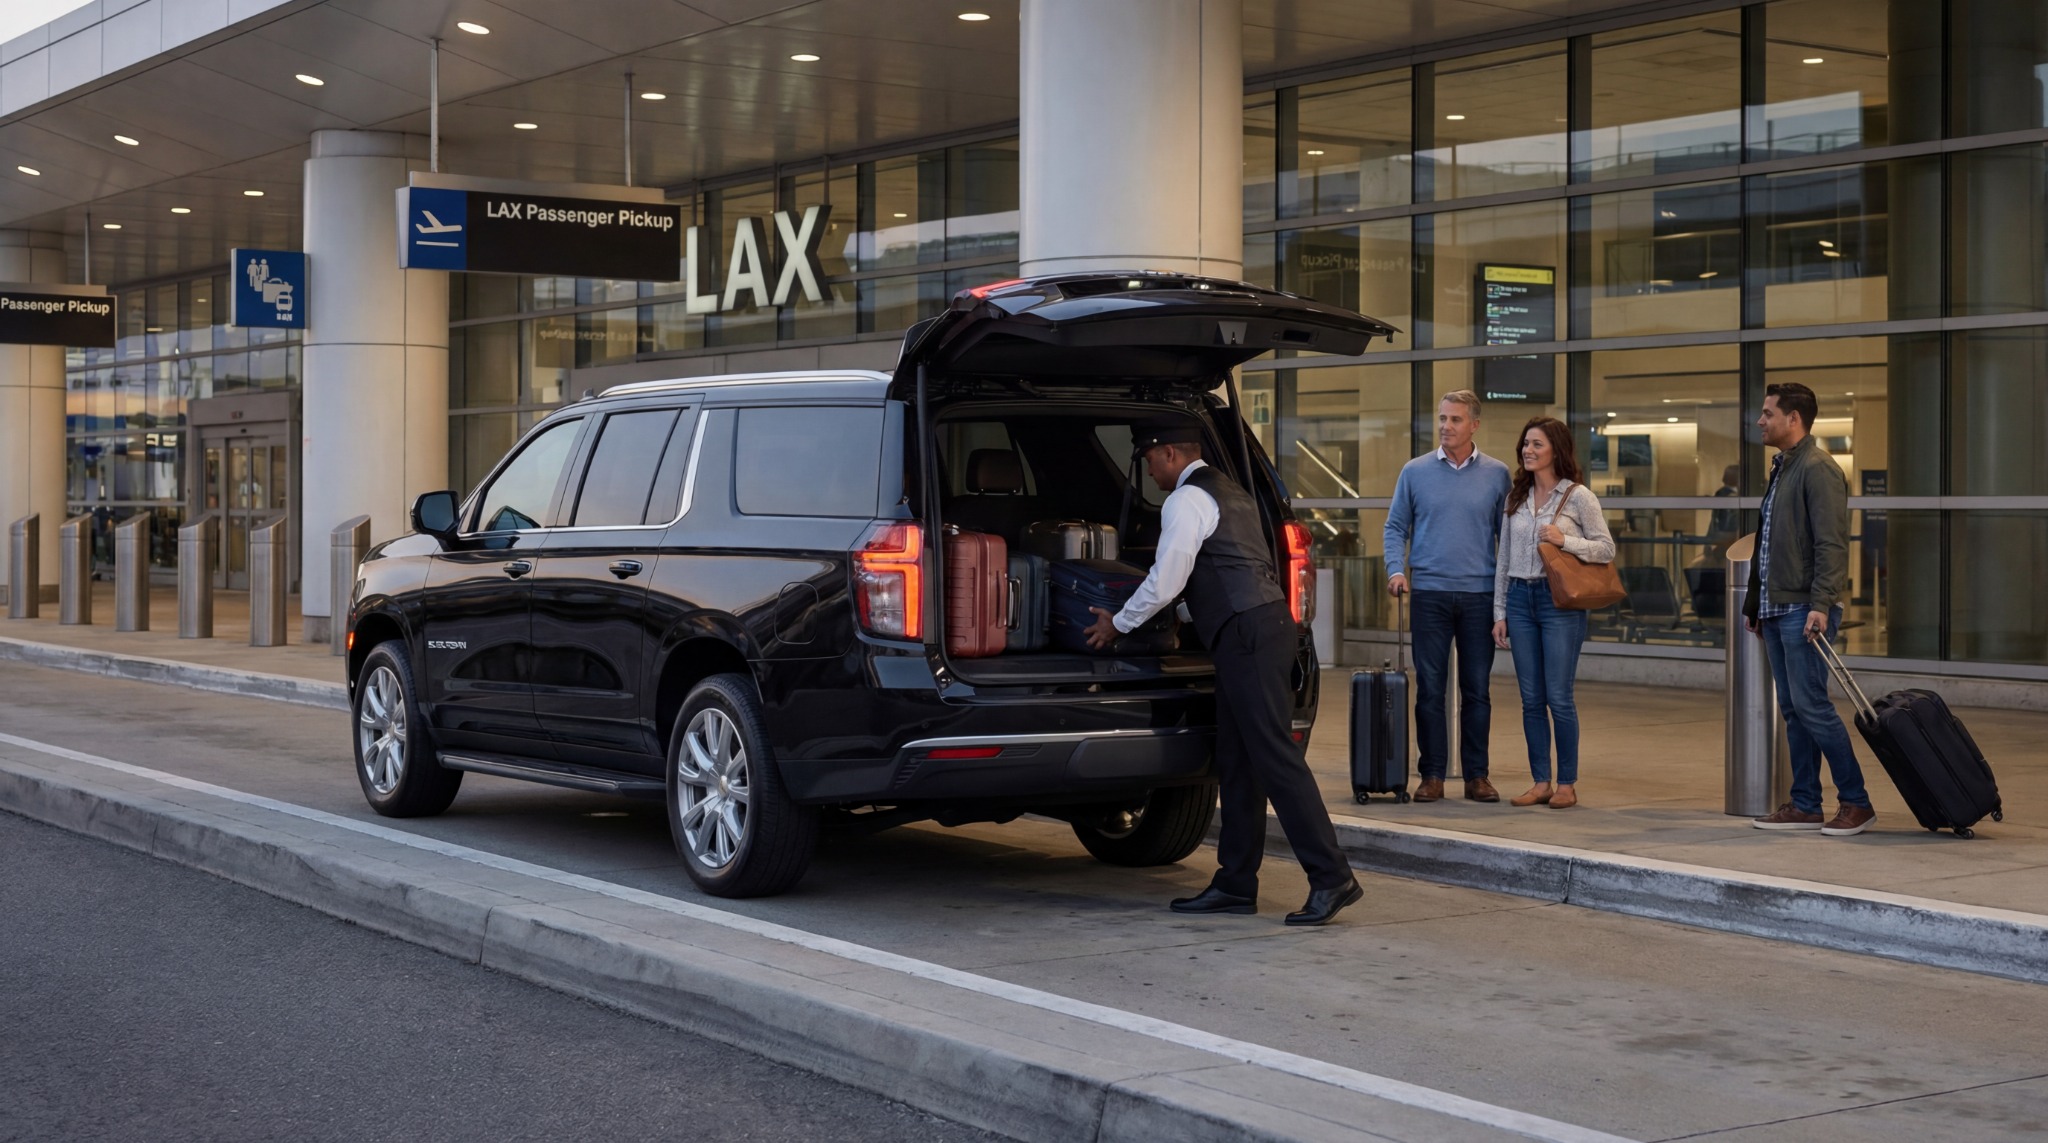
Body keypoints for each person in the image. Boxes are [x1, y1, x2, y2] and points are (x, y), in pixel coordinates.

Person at [1081, 421, 1362, 926]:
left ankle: (1331, 877)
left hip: (1247, 635)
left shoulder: (1186, 499)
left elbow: (1168, 578)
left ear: (1170, 453)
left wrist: (1118, 624)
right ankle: (1235, 881)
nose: (1148, 469)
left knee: (1275, 757)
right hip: (1261, 628)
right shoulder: (1233, 491)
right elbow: (1220, 572)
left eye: (1149, 459)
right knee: (1237, 759)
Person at [1744, 382, 1874, 837]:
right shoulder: (1784, 467)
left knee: (1812, 706)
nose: (1760, 421)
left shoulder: (1818, 469)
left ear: (1792, 418)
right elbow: (1768, 543)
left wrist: (1822, 605)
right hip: (1777, 607)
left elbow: (1831, 545)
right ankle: (1805, 804)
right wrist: (1754, 604)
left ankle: (1856, 802)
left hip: (1804, 608)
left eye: (1767, 413)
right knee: (1795, 711)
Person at [1384, 391, 1513, 804]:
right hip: (1431, 595)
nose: (1446, 426)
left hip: (1479, 595)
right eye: (1442, 418)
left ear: (1474, 424)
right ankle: (1432, 774)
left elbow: (1505, 538)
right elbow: (1394, 527)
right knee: (1430, 690)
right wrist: (1396, 569)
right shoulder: (1415, 471)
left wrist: (1504, 599)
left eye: (1455, 419)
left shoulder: (1497, 474)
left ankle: (1477, 776)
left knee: (1477, 690)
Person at [1489, 417, 1614, 809]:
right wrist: (1499, 611)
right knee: (1531, 698)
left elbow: (1606, 549)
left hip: (1559, 602)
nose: (1528, 450)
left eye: (1537, 445)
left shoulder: (1578, 497)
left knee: (1558, 697)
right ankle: (1540, 781)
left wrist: (1567, 540)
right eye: (1526, 444)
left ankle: (1567, 784)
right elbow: (1503, 558)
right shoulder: (1516, 498)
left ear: (1555, 451)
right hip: (1520, 601)